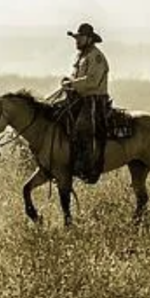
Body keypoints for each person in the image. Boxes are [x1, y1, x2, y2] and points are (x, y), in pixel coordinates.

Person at [61, 22, 110, 184]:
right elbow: (77, 77)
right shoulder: (81, 56)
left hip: (93, 100)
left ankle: (87, 167)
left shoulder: (95, 56)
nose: (76, 40)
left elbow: (92, 81)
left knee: (81, 128)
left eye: (79, 38)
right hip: (79, 98)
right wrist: (69, 82)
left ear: (89, 39)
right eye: (76, 37)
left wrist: (72, 84)